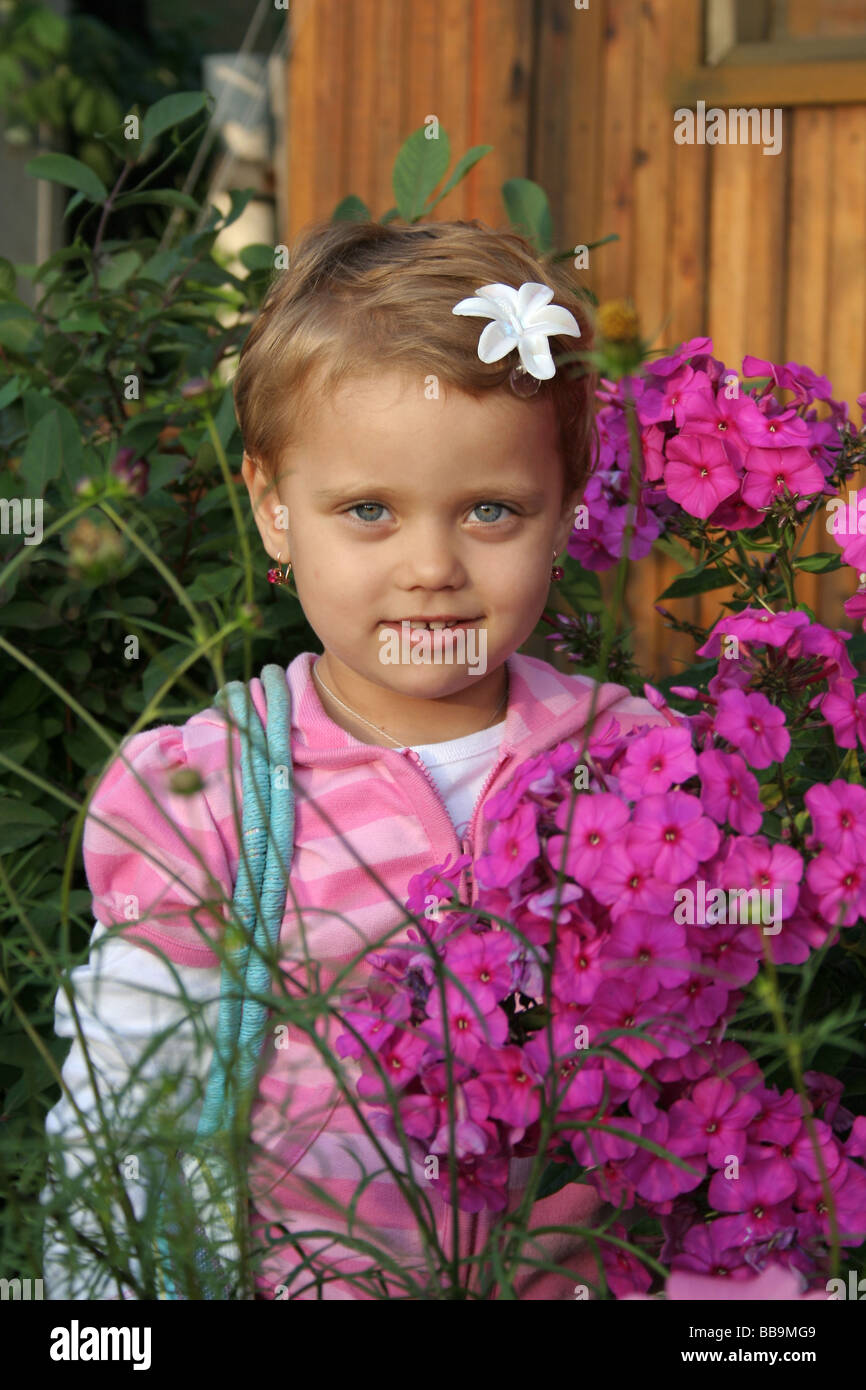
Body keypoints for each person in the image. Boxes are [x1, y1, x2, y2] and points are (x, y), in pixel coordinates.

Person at [41, 219, 666, 1300]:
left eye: (490, 510)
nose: (430, 566)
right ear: (273, 508)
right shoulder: (210, 794)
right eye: (367, 510)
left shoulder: (634, 761)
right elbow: (118, 1114)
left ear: (566, 506)